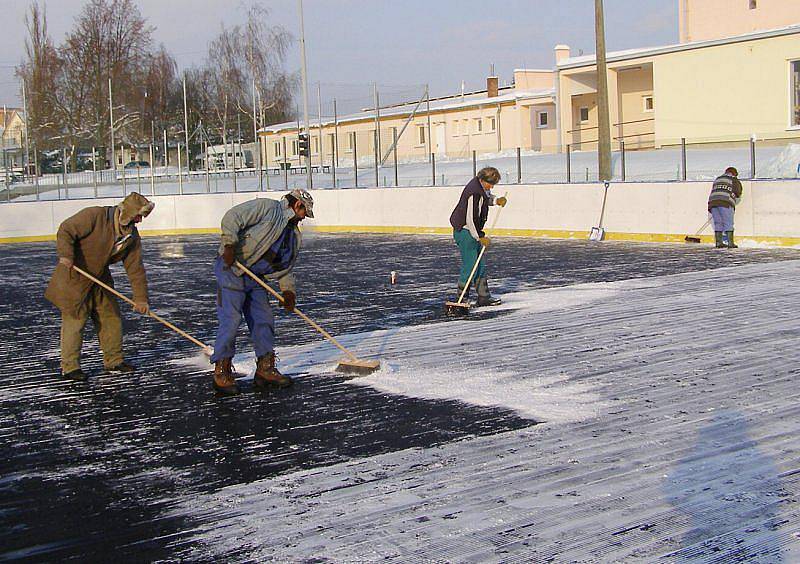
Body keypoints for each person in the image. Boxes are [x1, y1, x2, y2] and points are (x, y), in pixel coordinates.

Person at [211, 189, 314, 395]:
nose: (304, 217)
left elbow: (285, 266)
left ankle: (265, 369)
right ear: (297, 205)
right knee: (231, 320)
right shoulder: (267, 208)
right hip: (232, 267)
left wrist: (288, 292)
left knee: (264, 319)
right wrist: (229, 244)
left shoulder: (293, 235)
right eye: (305, 212)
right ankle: (222, 370)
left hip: (257, 278)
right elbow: (233, 217)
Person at [45, 192, 155, 381]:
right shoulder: (94, 216)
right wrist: (66, 255)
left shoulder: (131, 236)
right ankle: (70, 367)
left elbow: (135, 268)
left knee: (111, 317)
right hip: (75, 275)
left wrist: (141, 298)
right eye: (138, 216)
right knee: (75, 322)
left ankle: (114, 361)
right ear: (127, 212)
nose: (139, 221)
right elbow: (66, 229)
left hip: (100, 278)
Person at [449, 166, 507, 306]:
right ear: (482, 180)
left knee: (479, 264)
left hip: (472, 232)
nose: (491, 187)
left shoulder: (480, 189)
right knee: (470, 266)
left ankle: (484, 296)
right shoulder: (474, 193)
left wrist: (496, 201)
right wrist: (480, 236)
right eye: (490, 183)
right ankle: (461, 297)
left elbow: (485, 198)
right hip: (465, 232)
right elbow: (471, 218)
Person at [708, 166, 743, 248]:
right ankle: (730, 243)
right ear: (734, 173)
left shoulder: (718, 179)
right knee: (728, 222)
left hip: (713, 202)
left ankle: (719, 243)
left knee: (718, 222)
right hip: (725, 202)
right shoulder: (733, 179)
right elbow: (738, 192)